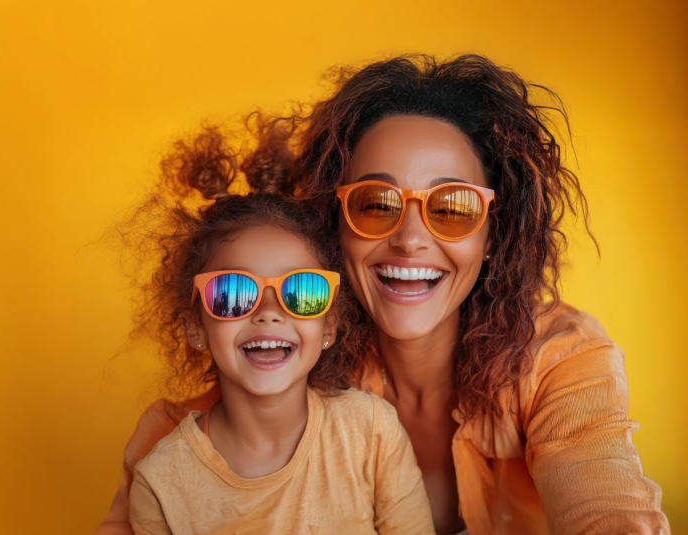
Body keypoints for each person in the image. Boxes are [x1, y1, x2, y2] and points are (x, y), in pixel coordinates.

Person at [98, 55, 670, 535]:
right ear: (333, 226)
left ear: (494, 234)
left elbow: (607, 503)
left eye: (452, 207)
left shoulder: (560, 362)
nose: (412, 239)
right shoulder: (194, 438)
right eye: (376, 204)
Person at [122, 128, 435, 534]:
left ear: (329, 324)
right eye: (233, 292)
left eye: (302, 291)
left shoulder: (371, 432)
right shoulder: (160, 482)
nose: (269, 313)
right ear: (195, 327)